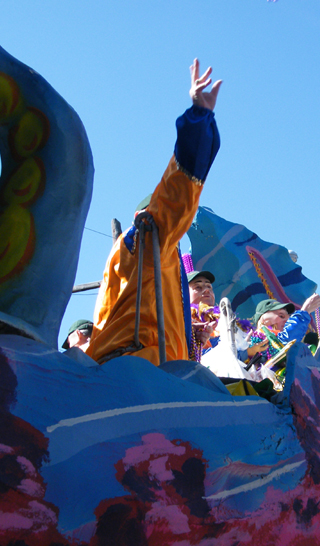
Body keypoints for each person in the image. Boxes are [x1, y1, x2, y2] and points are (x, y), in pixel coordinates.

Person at [87, 60, 221, 366]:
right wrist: (199, 120)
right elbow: (175, 197)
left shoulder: (162, 254)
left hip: (152, 365)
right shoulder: (146, 238)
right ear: (144, 215)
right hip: (138, 366)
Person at [247, 293, 320, 371]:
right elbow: (283, 345)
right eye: (281, 316)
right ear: (264, 319)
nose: (287, 321)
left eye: (289, 319)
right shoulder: (255, 339)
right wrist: (304, 312)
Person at [187, 269, 220, 361]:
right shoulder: (183, 322)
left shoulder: (225, 320)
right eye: (198, 287)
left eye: (209, 286)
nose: (206, 290)